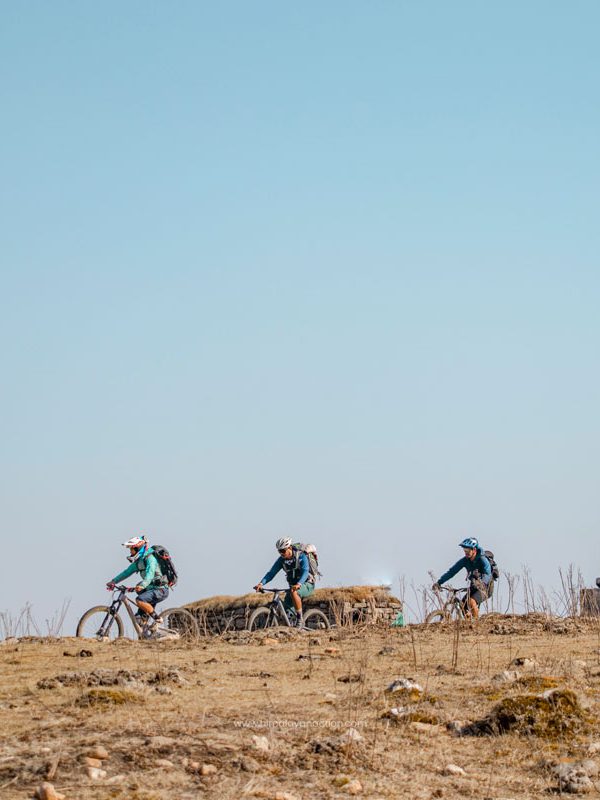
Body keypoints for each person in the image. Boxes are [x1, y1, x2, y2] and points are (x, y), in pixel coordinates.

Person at [106, 536, 169, 628]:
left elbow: (150, 575)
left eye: (131, 549)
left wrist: (142, 585)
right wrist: (113, 581)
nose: (130, 552)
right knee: (138, 619)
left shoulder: (150, 559)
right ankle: (149, 635)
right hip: (150, 590)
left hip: (160, 590)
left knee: (140, 600)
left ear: (138, 548)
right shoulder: (139, 562)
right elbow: (126, 572)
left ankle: (158, 619)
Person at [253, 538, 315, 627]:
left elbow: (305, 571)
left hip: (307, 584)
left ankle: (300, 619)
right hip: (292, 587)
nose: (281, 553)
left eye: (283, 551)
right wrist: (261, 583)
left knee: (294, 592)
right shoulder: (281, 560)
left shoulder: (301, 556)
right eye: (279, 551)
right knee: (286, 613)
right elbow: (271, 573)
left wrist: (299, 583)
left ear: (289, 547)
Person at [432, 537, 492, 620]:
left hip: (486, 587)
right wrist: (439, 582)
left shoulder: (482, 560)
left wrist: (482, 583)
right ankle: (469, 622)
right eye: (465, 551)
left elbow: (487, 574)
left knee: (471, 601)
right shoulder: (465, 560)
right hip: (474, 586)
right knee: (463, 605)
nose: (466, 553)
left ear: (474, 550)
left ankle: (477, 624)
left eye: (468, 551)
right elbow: (452, 572)